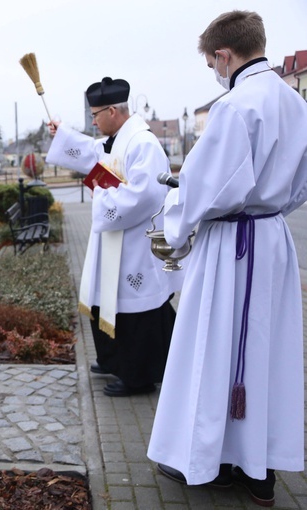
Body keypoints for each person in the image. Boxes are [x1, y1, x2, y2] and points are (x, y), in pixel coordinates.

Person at [147, 11, 307, 507]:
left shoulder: (235, 105)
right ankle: (260, 470)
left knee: (215, 351)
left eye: (212, 63)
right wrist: (273, 209)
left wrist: (174, 219)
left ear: (223, 55)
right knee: (266, 355)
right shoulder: (294, 102)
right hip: (272, 240)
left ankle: (208, 461)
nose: (214, 72)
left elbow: (201, 188)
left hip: (230, 246)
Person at [46, 77, 178, 397]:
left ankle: (139, 376)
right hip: (113, 240)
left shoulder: (143, 143)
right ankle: (113, 359)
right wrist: (62, 133)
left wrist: (101, 198)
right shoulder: (118, 138)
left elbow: (145, 196)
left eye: (95, 115)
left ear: (113, 111)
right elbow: (92, 153)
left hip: (133, 243)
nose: (92, 121)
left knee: (135, 308)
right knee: (103, 299)